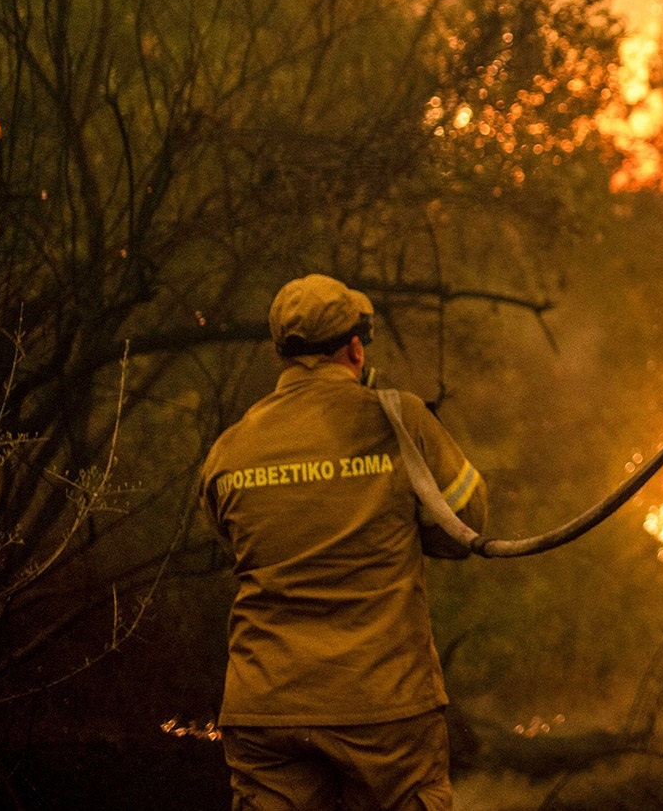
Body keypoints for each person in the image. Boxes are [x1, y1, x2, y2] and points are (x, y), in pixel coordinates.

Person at [200, 274, 488, 811]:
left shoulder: (229, 449)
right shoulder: (399, 420)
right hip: (383, 708)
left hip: (267, 706)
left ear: (280, 354)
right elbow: (466, 525)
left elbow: (235, 547)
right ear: (356, 348)